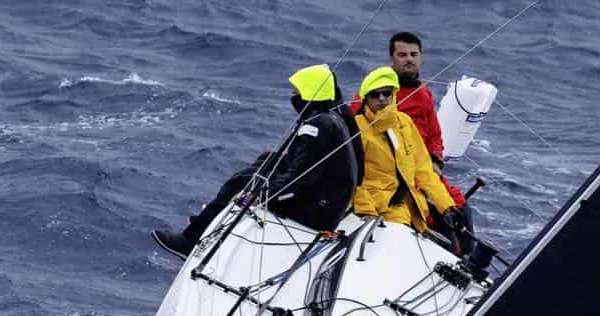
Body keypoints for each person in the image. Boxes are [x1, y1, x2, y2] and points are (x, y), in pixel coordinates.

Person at [152, 65, 360, 259]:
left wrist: (260, 194)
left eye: (296, 92)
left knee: (243, 181)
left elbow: (299, 179)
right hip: (328, 202)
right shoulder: (329, 117)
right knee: (266, 160)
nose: (292, 97)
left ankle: (190, 240)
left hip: (316, 213)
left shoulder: (316, 128)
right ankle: (209, 217)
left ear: (309, 94)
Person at [352, 67, 463, 238]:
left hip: (413, 209)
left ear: (393, 95)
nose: (382, 98)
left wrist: (446, 206)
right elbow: (352, 178)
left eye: (386, 93)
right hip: (380, 209)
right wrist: (367, 212)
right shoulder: (358, 128)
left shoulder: (404, 122)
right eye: (375, 95)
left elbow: (423, 169)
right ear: (366, 99)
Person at [387, 32, 470, 223]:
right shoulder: (380, 91)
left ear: (421, 57)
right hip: (394, 171)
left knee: (461, 209)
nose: (409, 60)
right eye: (402, 55)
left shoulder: (423, 92)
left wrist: (435, 160)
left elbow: (434, 135)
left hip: (424, 169)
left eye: (413, 55)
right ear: (392, 58)